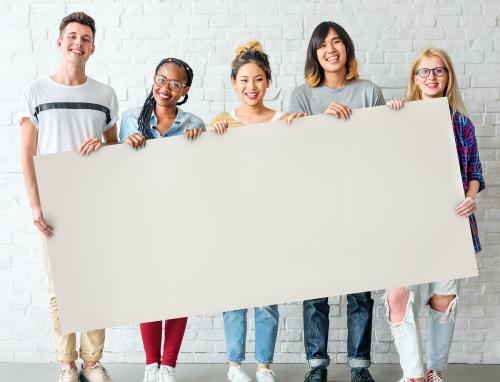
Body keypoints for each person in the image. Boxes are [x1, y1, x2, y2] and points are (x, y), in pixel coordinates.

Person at [19, 12, 118, 382]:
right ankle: (67, 363)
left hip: (94, 203)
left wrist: (101, 147)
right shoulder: (36, 93)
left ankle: (92, 362)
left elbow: (114, 154)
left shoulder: (104, 95)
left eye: (86, 38)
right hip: (54, 204)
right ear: (60, 42)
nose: (79, 42)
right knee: (60, 286)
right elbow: (27, 153)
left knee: (94, 281)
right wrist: (34, 204)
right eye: (73, 36)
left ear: (93, 47)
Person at [288, 21, 386, 382]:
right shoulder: (302, 95)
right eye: (322, 45)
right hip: (315, 204)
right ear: (314, 54)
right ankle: (317, 366)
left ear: (347, 48)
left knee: (360, 290)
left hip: (359, 201)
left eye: (337, 42)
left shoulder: (369, 91)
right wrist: (323, 124)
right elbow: (294, 152)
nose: (330, 49)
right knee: (317, 291)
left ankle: (360, 367)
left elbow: (379, 147)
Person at [385, 48, 485, 382]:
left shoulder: (461, 124)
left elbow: (474, 173)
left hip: (450, 222)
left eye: (438, 71)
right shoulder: (398, 118)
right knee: (398, 293)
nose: (432, 77)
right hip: (406, 222)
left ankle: (433, 372)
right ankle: (412, 375)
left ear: (448, 77)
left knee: (443, 299)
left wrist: (471, 197)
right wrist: (392, 119)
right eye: (424, 72)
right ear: (414, 79)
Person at [210, 40, 303, 382]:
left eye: (259, 79)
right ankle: (235, 366)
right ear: (234, 83)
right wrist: (212, 138)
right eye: (244, 80)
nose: (252, 87)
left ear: (269, 82)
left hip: (271, 221)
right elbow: (211, 174)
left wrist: (297, 132)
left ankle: (264, 365)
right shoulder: (222, 122)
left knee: (267, 298)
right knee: (234, 296)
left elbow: (293, 171)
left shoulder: (283, 120)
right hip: (234, 222)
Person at [119, 57, 204, 382]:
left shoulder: (193, 123)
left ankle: (168, 366)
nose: (165, 88)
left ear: (185, 90)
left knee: (178, 291)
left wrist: (201, 144)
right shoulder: (130, 120)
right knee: (149, 293)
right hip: (143, 219)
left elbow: (204, 173)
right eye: (161, 79)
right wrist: (126, 147)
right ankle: (150, 365)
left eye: (174, 83)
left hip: (181, 219)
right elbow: (116, 172)